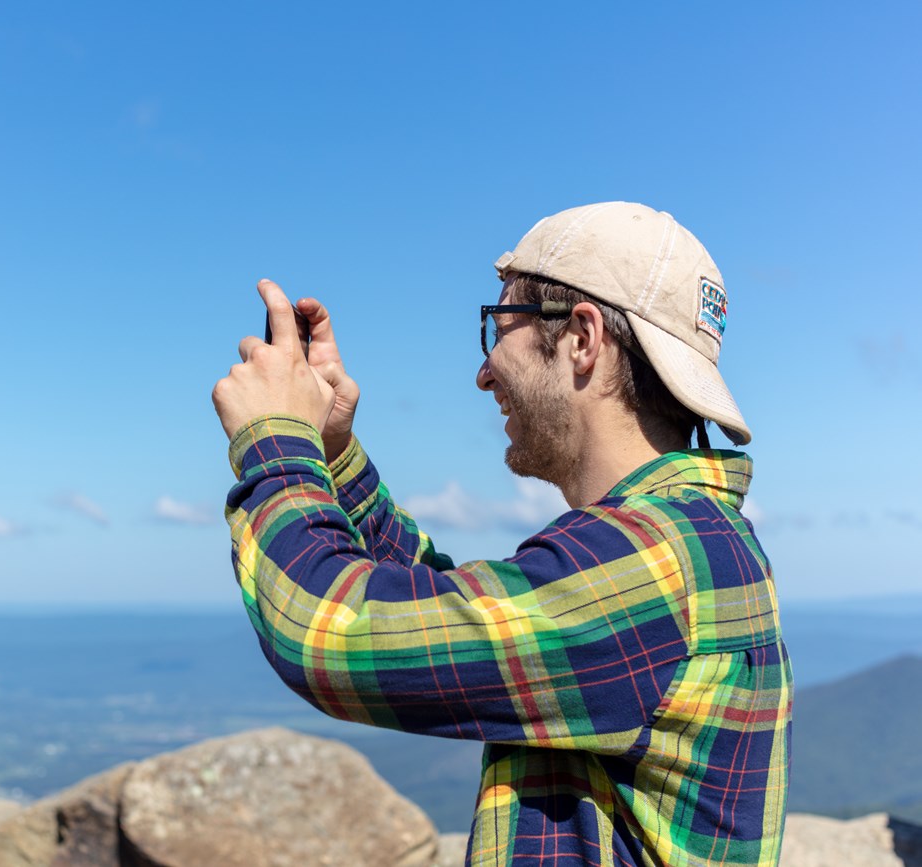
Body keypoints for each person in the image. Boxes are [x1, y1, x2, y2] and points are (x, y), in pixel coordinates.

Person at [211, 201, 791, 867]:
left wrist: (276, 439)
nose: (484, 372)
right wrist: (332, 450)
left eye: (499, 326)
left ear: (581, 337)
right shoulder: (689, 544)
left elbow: (325, 631)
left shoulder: (656, 563)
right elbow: (447, 610)